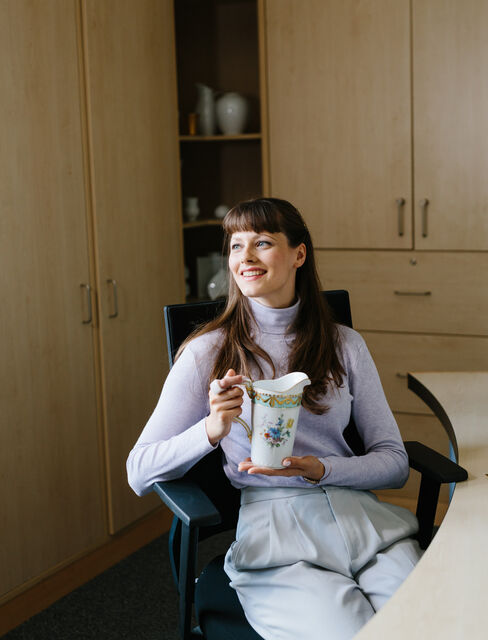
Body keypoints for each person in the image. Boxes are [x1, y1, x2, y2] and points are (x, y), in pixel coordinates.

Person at [127, 197, 422, 640]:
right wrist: (211, 430)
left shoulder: (345, 345)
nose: (244, 257)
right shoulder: (207, 352)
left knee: (432, 624)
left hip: (366, 524)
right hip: (278, 535)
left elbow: (395, 463)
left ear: (299, 254)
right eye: (235, 245)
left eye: (262, 243)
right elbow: (139, 471)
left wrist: (323, 469)